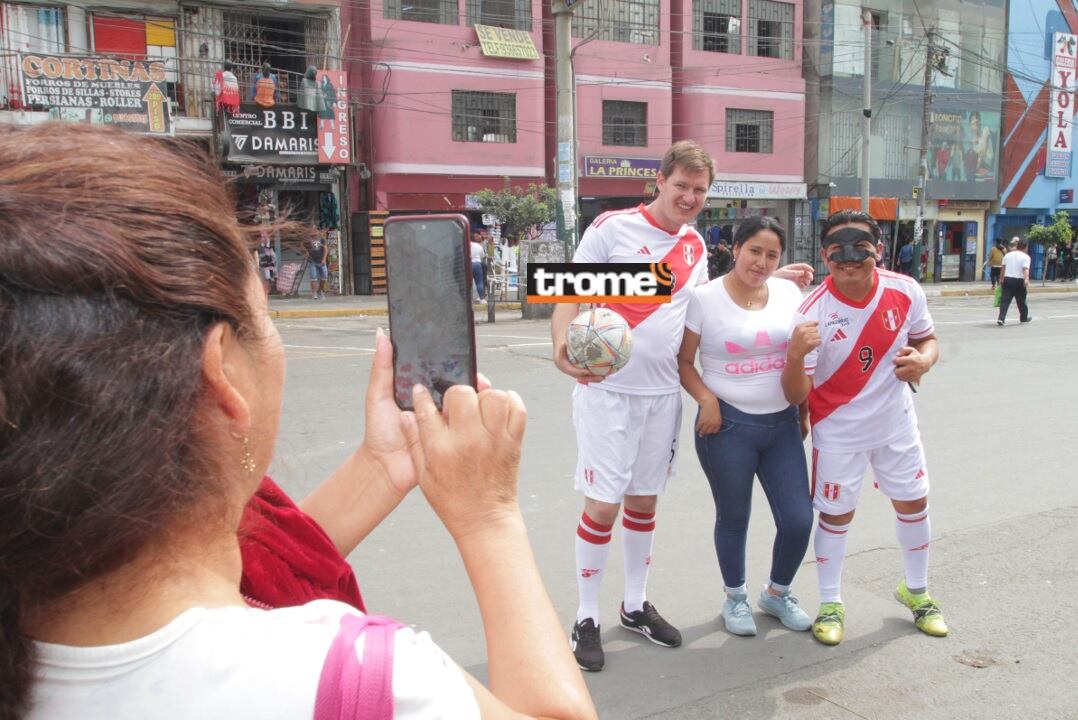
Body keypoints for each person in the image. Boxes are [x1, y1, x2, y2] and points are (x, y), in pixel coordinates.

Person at [0, 123, 597, 720]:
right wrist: (487, 515)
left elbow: (240, 573)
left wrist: (380, 466)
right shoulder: (367, 681)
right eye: (264, 311)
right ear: (222, 375)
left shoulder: (40, 587)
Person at [549, 140, 813, 672]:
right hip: (607, 392)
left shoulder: (692, 245)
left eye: (699, 190)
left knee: (644, 503)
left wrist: (769, 275)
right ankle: (584, 617)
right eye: (681, 186)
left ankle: (634, 605)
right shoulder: (611, 229)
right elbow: (566, 293)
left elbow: (703, 296)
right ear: (661, 183)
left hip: (661, 394)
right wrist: (562, 352)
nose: (689, 196)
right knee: (603, 505)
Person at [782, 210, 947, 647]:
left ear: (879, 250)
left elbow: (928, 340)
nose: (850, 258)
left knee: (914, 503)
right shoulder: (810, 312)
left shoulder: (905, 290)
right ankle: (831, 602)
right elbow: (798, 392)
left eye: (862, 248)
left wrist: (923, 361)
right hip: (838, 431)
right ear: (823, 254)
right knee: (837, 515)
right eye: (838, 249)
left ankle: (917, 592)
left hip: (896, 424)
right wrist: (795, 357)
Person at [677, 216, 814, 637]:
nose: (762, 261)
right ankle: (734, 598)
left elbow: (803, 355)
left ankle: (776, 593)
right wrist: (706, 400)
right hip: (727, 427)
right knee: (734, 516)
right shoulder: (704, 299)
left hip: (782, 425)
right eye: (754, 250)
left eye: (772, 254)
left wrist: (803, 411)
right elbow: (684, 362)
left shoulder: (789, 292)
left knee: (798, 519)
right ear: (735, 249)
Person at [998, 237, 1032, 326]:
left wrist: (1001, 279)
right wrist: (1026, 279)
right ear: (1025, 247)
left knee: (1005, 301)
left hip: (1007, 279)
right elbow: (1025, 269)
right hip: (1019, 281)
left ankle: (1001, 318)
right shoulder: (1026, 257)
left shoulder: (1008, 255)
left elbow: (1003, 268)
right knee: (1021, 301)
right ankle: (1024, 318)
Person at [471, 231, 487, 304]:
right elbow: (482, 256)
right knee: (479, 282)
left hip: (468, 264)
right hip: (477, 264)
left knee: (468, 283)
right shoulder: (478, 246)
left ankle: (469, 299)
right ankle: (482, 299)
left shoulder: (465, 244)